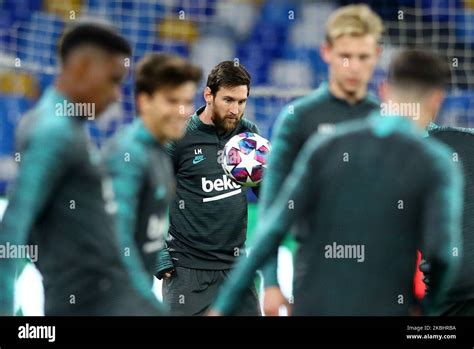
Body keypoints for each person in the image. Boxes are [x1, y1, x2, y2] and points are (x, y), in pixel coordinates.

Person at [209, 50, 462, 316]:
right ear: (437, 99)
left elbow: (272, 228)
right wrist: (428, 308)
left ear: (384, 90)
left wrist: (222, 307)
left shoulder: (327, 144)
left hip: (314, 305)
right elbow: (442, 254)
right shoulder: (437, 163)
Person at [0, 21, 164, 315]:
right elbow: (13, 226)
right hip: (97, 303)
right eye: (113, 80)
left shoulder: (63, 126)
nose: (116, 95)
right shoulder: (55, 132)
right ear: (83, 66)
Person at [259, 4, 384, 315]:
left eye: (363, 57)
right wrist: (272, 283)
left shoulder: (385, 120)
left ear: (377, 56)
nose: (354, 66)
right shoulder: (299, 118)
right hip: (316, 271)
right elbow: (272, 206)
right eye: (345, 56)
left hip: (379, 273)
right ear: (326, 52)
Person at [160, 61, 261, 315]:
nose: (235, 110)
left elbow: (265, 192)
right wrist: (158, 255)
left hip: (236, 269)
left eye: (241, 101)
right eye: (228, 100)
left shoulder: (248, 136)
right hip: (187, 273)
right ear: (208, 95)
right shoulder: (179, 137)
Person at [102, 53, 202, 298]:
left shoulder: (160, 151)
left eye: (187, 101)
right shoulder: (129, 154)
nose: (182, 111)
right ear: (144, 101)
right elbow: (116, 241)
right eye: (171, 100)